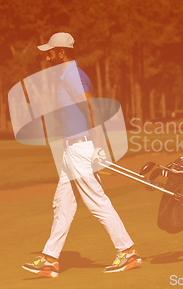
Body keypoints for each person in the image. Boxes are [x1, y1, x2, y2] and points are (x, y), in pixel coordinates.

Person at [22, 32, 141, 277]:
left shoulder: (72, 74)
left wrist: (98, 144)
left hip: (80, 148)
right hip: (71, 150)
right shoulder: (67, 74)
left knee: (97, 201)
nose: (47, 56)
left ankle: (128, 252)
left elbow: (90, 106)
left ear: (62, 53)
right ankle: (50, 259)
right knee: (62, 204)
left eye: (51, 52)